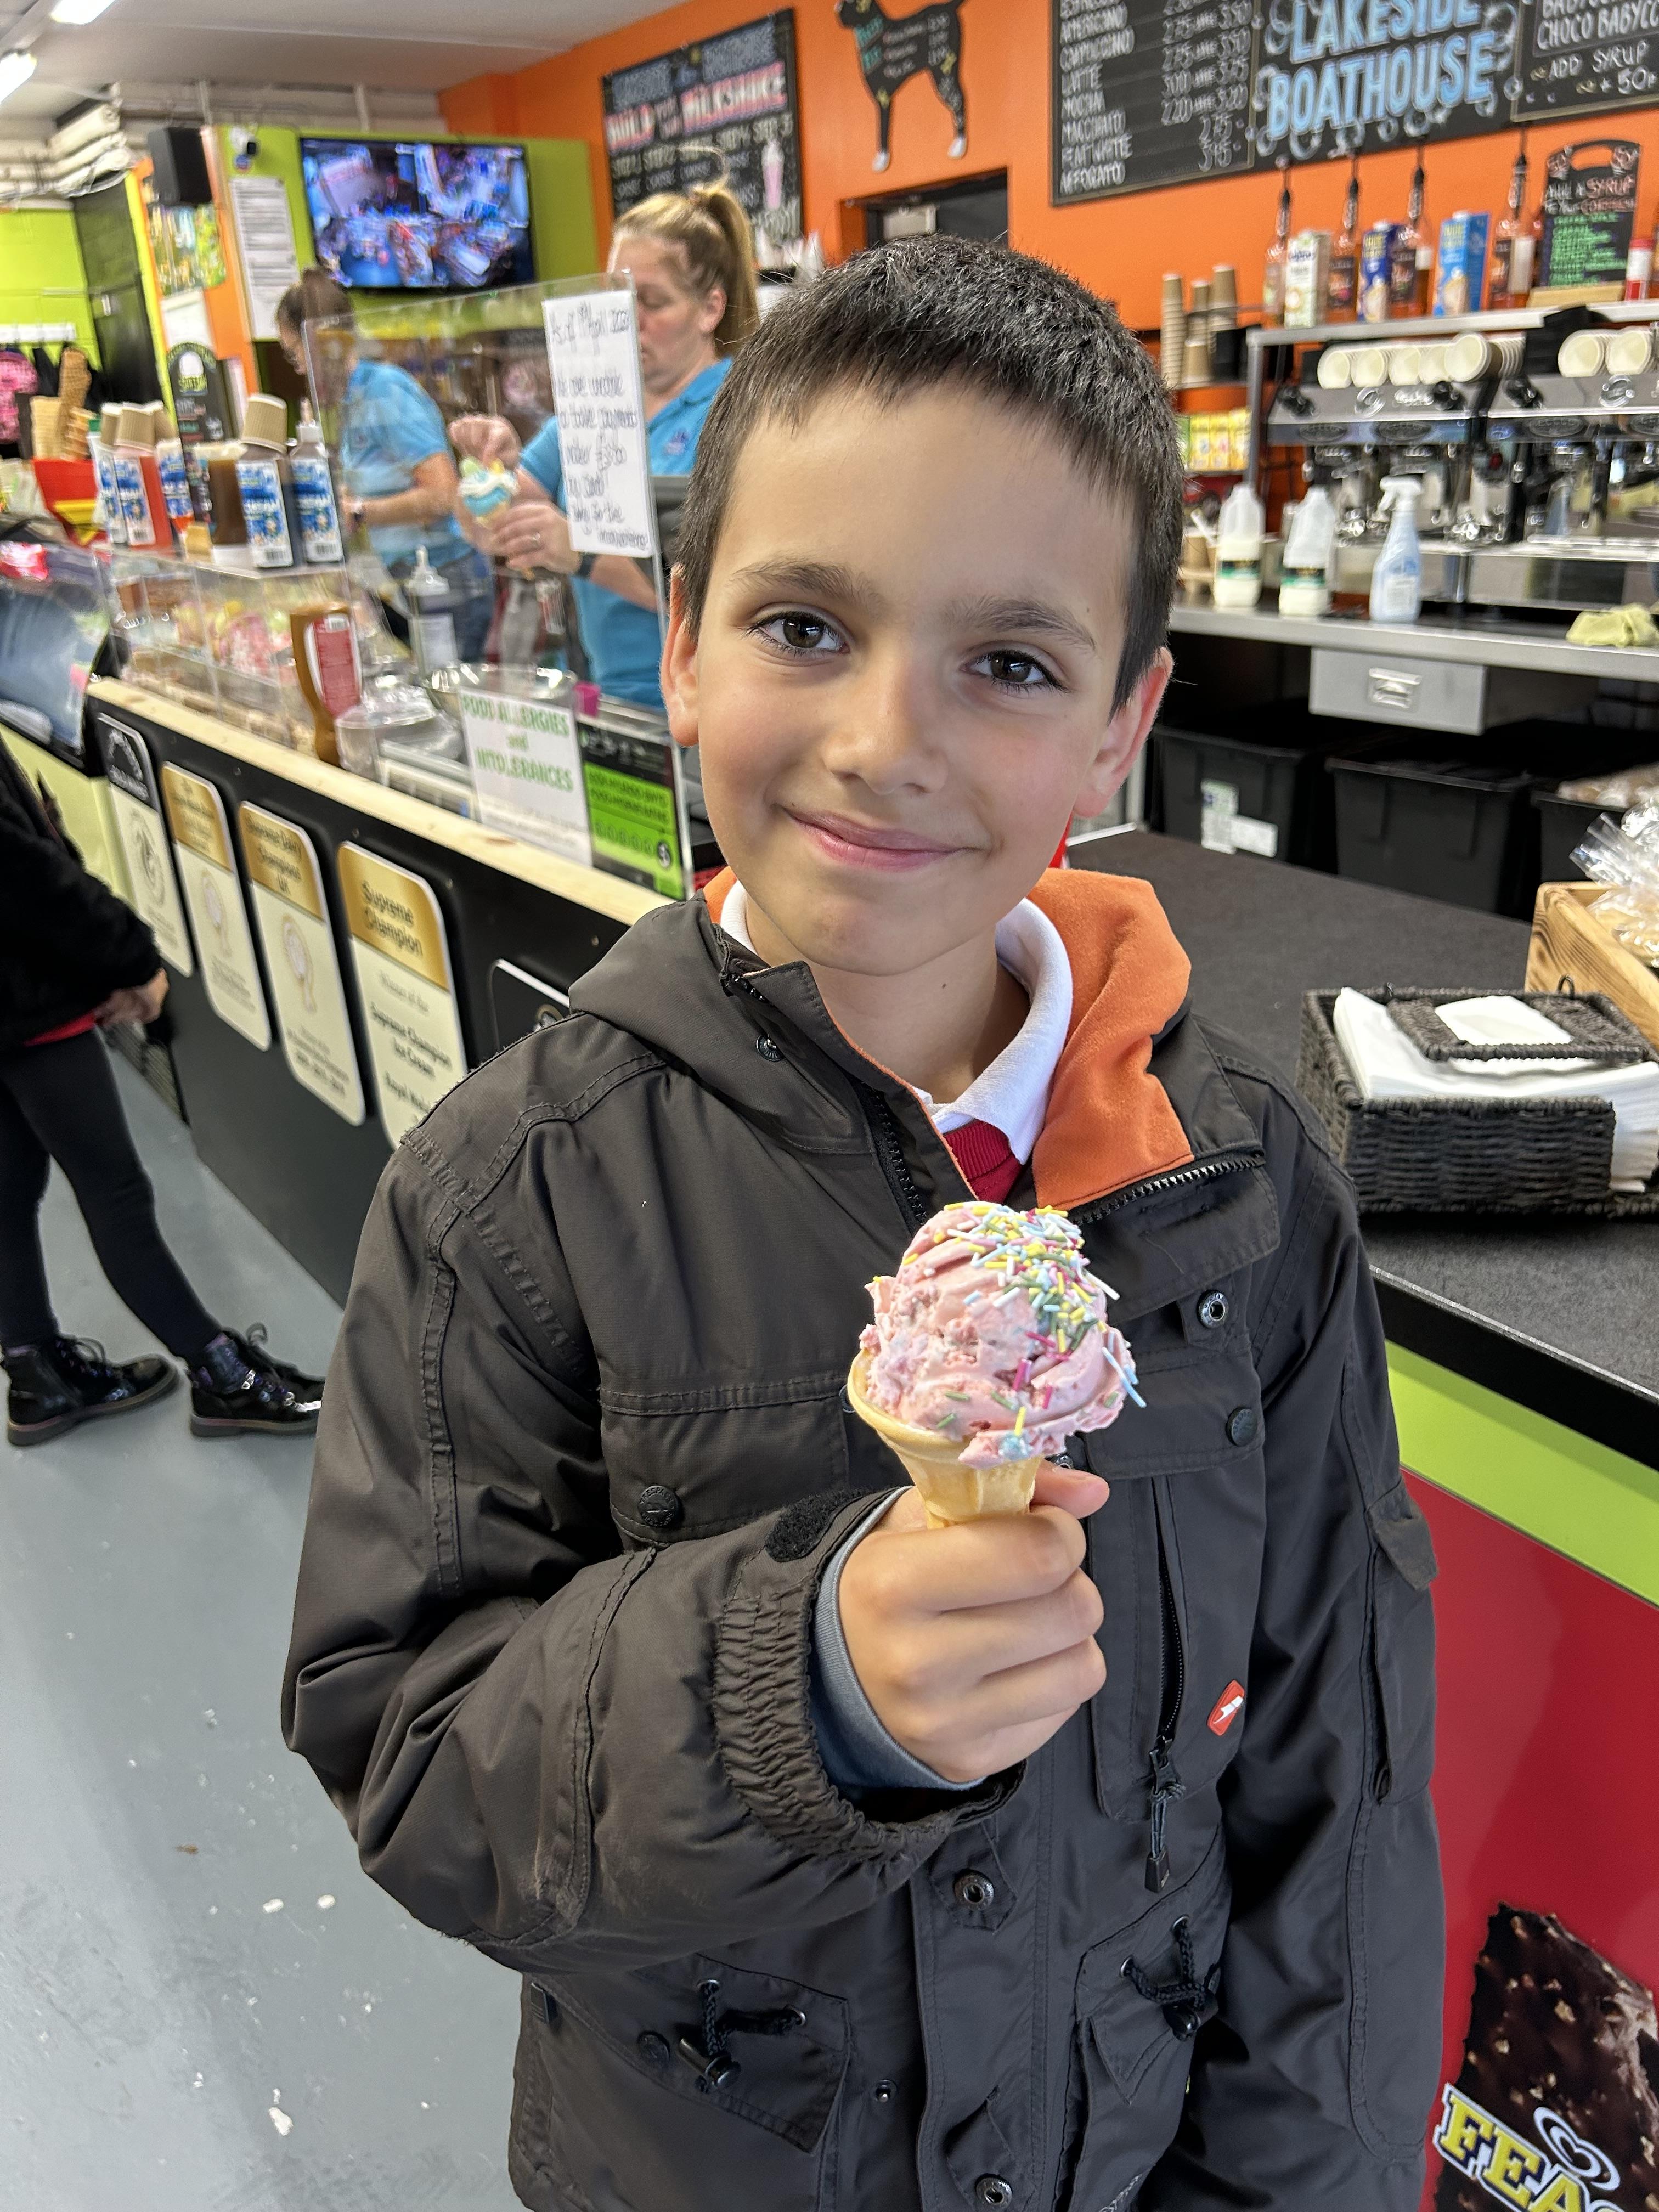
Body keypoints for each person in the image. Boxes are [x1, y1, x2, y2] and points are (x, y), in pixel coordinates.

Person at [285, 240, 1442, 2211]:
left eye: (1010, 664)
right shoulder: (511, 1193)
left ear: (1121, 725)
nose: (886, 737)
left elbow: (1341, 1777)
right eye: (806, 623)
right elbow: (410, 1753)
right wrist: (789, 1687)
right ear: (680, 643)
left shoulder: (1242, 1189)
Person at [0, 742, 324, 1444]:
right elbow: (25, 874)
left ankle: (35, 1374)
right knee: (114, 1191)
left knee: (9, 1192)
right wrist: (130, 957)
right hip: (27, 999)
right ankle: (222, 1375)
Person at [449, 179, 759, 708]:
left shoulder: (740, 413)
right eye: (617, 299)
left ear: (709, 309)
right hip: (610, 696)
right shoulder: (594, 409)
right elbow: (486, 529)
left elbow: (724, 599)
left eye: (653, 303)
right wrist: (486, 476)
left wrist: (581, 552)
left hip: (706, 704)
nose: (628, 321)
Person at [275, 269, 493, 662]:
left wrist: (360, 512)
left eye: (295, 354)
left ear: (319, 343)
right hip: (405, 579)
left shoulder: (385, 390)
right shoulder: (351, 402)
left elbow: (443, 494)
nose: (299, 370)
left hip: (446, 577)